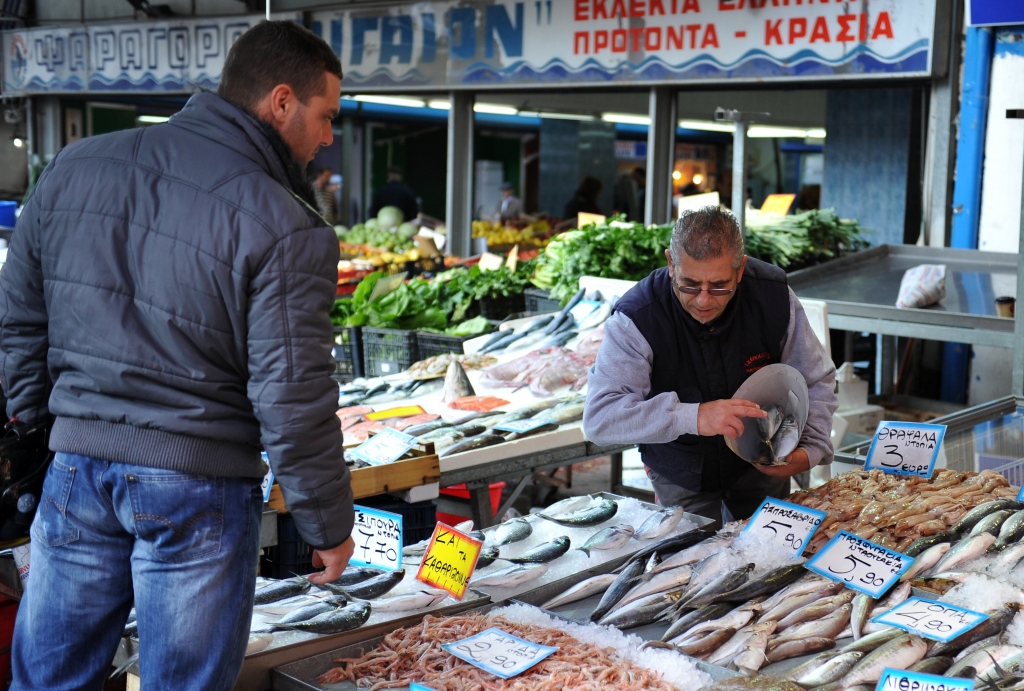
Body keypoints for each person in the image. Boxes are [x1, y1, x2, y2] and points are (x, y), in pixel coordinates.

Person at [0, 21, 355, 690]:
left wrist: (42, 430)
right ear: (281, 101)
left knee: (46, 681)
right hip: (197, 487)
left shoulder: (76, 166)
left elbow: (17, 318)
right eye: (326, 116)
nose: (328, 137)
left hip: (76, 472)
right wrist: (327, 523)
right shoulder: (286, 223)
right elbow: (292, 394)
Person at [583, 206, 837, 527]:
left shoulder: (773, 296)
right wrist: (695, 416)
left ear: (740, 270)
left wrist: (811, 448)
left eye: (720, 286)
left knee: (770, 560)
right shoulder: (638, 317)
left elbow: (817, 378)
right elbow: (600, 419)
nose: (704, 300)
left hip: (764, 462)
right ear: (670, 264)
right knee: (690, 566)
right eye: (689, 285)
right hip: (680, 472)